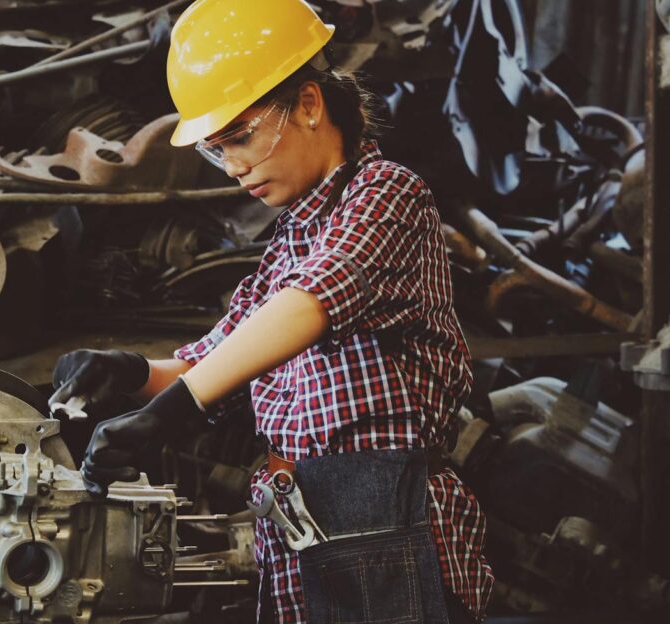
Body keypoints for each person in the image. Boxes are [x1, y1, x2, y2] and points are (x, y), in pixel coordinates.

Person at [49, 0, 493, 621]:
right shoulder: (287, 243)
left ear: (309, 104)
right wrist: (127, 372)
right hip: (300, 518)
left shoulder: (387, 195)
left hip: (380, 519)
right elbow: (215, 361)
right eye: (215, 150)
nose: (232, 167)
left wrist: (172, 411)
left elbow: (311, 303)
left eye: (241, 136)